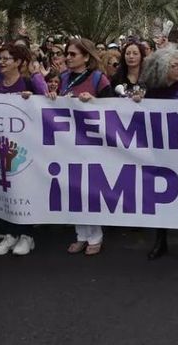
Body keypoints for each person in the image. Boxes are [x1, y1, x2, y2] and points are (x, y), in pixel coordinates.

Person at [134, 47, 178, 262]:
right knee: (160, 196)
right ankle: (160, 240)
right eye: (174, 65)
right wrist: (135, 102)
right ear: (162, 68)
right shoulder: (151, 91)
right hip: (158, 151)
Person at [54, 38, 113, 256]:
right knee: (74, 190)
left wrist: (94, 102)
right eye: (66, 54)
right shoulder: (63, 78)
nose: (68, 58)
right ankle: (81, 235)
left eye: (72, 54)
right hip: (68, 143)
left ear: (86, 57)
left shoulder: (99, 79)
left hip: (92, 145)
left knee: (91, 190)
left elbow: (113, 109)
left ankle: (95, 236)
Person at [0, 44, 47, 257]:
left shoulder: (29, 83)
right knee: (4, 190)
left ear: (19, 62)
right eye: (0, 58)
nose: (1, 62)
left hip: (26, 149)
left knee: (25, 190)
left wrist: (32, 98)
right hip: (1, 148)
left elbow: (47, 105)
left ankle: (26, 235)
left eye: (6, 59)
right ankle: (9, 234)